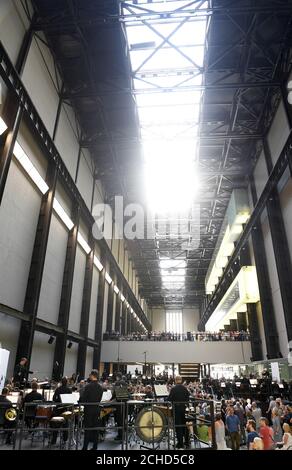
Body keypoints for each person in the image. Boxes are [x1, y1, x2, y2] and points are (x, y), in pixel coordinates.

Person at [80, 370, 103, 450]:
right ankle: (95, 447)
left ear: (93, 376)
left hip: (88, 410)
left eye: (90, 375)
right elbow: (99, 399)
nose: (89, 376)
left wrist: (80, 401)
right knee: (95, 429)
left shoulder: (88, 386)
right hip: (97, 410)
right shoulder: (100, 387)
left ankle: (85, 447)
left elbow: (83, 399)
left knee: (87, 429)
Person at [168, 375, 190, 449]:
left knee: (178, 426)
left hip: (176, 408)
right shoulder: (184, 388)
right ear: (181, 380)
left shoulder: (173, 388)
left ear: (175, 380)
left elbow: (169, 398)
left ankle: (180, 443)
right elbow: (188, 397)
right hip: (183, 408)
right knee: (183, 424)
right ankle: (186, 441)